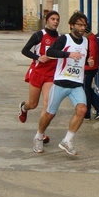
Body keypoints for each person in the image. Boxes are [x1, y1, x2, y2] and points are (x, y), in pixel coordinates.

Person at [33, 11, 89, 156]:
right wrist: (67, 54)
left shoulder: (86, 41)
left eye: (84, 25)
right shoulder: (64, 39)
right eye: (79, 25)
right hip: (61, 83)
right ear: (72, 25)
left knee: (82, 110)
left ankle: (67, 140)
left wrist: (89, 61)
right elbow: (50, 52)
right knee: (50, 114)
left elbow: (83, 57)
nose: (82, 28)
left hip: (76, 84)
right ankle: (39, 136)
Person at [19, 10, 60, 144]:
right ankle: (23, 107)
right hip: (37, 72)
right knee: (33, 104)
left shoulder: (61, 38)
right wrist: (38, 57)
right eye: (53, 19)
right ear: (47, 21)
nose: (55, 22)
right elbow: (25, 50)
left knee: (47, 105)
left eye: (57, 19)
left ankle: (41, 134)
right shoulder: (39, 35)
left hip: (51, 75)